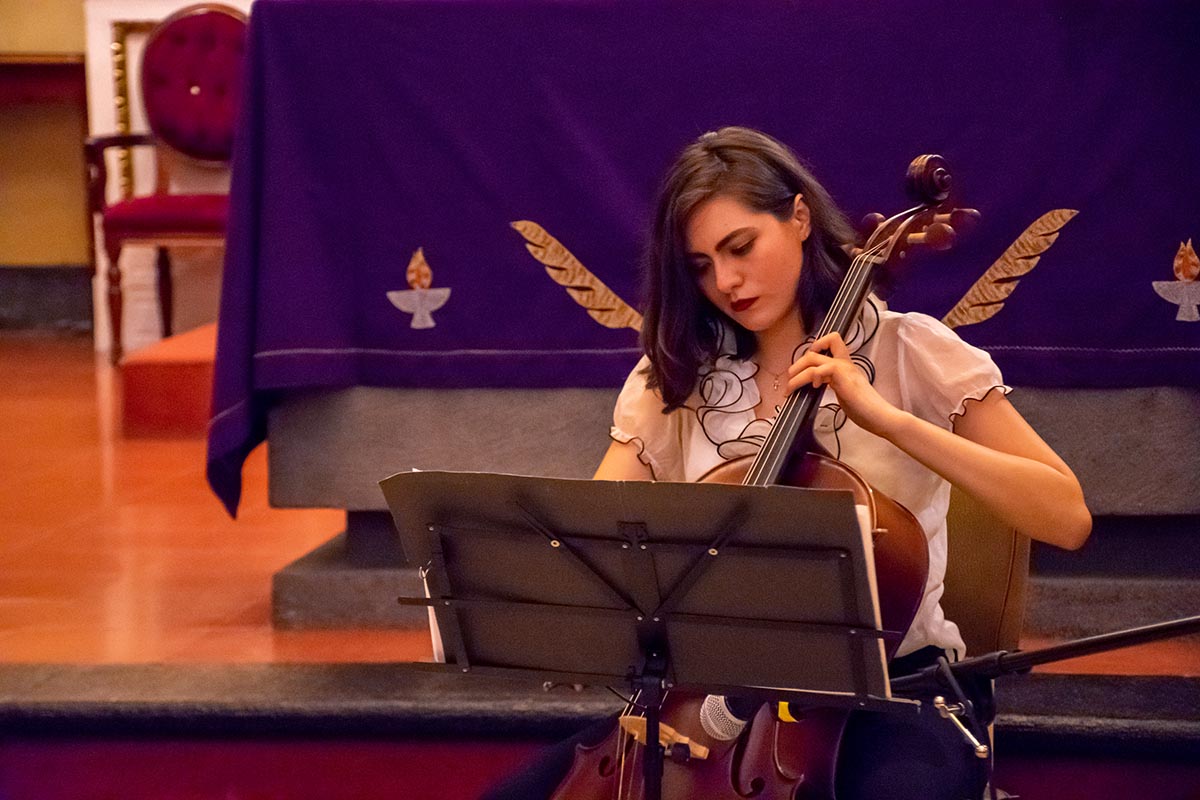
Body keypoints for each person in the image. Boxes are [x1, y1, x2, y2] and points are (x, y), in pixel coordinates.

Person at [486, 126, 1091, 800]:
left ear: (799, 217)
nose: (727, 281)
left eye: (741, 247)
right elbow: (591, 546)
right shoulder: (674, 380)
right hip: (709, 702)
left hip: (894, 696)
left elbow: (1065, 516)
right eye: (700, 265)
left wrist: (888, 420)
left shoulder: (910, 352)